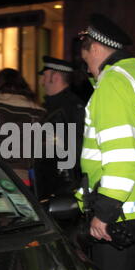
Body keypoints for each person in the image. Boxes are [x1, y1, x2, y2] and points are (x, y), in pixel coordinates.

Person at [76, 13, 135, 270]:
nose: (85, 64)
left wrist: (104, 212)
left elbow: (121, 157)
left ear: (97, 48)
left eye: (85, 54)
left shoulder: (113, 84)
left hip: (119, 219)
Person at [36, 56, 85, 198]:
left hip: (62, 189)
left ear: (56, 77)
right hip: (50, 184)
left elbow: (74, 152)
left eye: (45, 76)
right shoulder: (52, 106)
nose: (42, 82)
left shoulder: (70, 109)